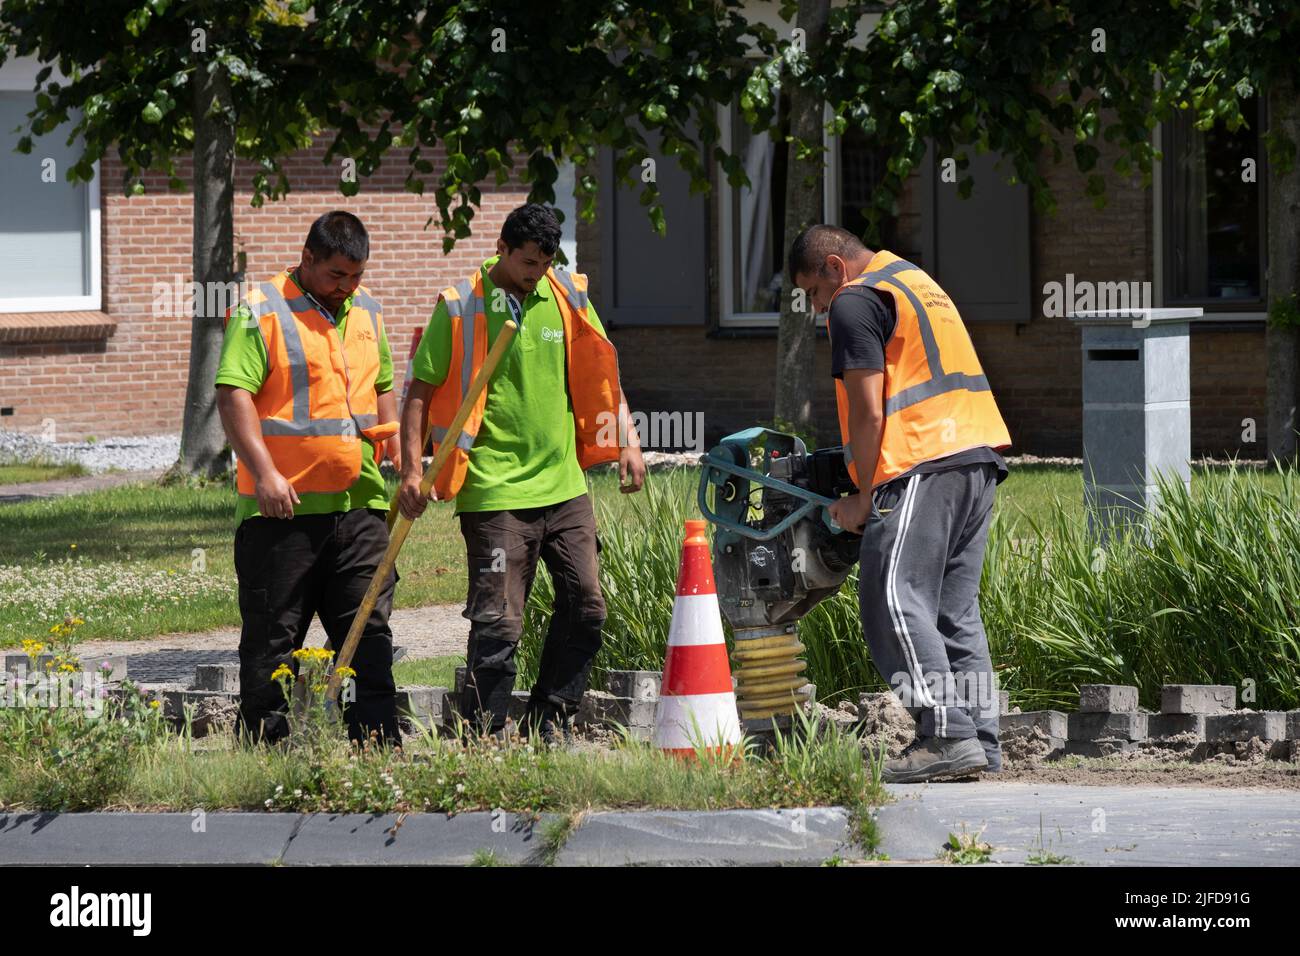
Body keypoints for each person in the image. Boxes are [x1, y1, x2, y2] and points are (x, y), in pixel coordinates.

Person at [398, 203, 646, 739]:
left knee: (587, 606)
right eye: (527, 261)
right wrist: (410, 470)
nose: (536, 271)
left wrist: (626, 440)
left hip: (563, 486)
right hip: (494, 491)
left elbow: (602, 367)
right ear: (502, 248)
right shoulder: (462, 305)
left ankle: (548, 719)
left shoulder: (565, 295)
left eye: (544, 261)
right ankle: (484, 734)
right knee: (498, 621)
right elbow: (419, 390)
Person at [788, 224, 1012, 783]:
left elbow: (868, 411)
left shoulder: (854, 301)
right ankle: (981, 739)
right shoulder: (915, 280)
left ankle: (944, 734)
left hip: (920, 459)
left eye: (814, 293)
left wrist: (862, 497)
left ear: (835, 268)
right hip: (976, 456)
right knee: (952, 612)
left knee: (893, 598)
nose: (818, 309)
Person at [215, 210, 402, 746]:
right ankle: (265, 758)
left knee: (368, 635)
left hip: (359, 506)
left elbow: (383, 382)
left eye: (356, 276)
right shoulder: (261, 310)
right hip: (282, 514)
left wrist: (388, 438)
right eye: (336, 276)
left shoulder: (366, 310)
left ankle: (378, 752)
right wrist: (266, 473)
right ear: (308, 258)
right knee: (273, 645)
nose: (347, 287)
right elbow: (233, 396)